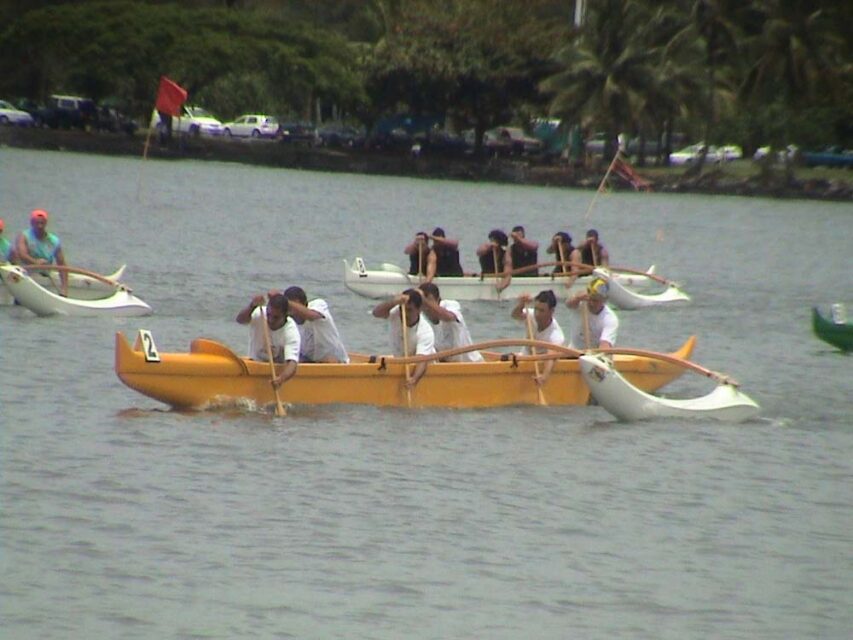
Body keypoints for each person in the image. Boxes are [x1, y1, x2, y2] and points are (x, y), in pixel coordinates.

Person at [372, 288, 436, 390]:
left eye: (409, 310)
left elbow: (422, 360)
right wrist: (394, 302)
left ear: (419, 310)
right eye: (403, 309)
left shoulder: (425, 331)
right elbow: (376, 313)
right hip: (401, 362)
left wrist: (414, 379)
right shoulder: (396, 313)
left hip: (423, 367)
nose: (405, 314)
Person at [235, 293, 300, 388]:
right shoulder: (259, 313)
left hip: (275, 372)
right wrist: (252, 306)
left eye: (276, 317)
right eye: (269, 315)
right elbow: (240, 320)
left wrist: (281, 379)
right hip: (254, 365)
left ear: (286, 315)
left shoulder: (291, 331)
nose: (271, 320)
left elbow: (292, 364)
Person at [281, 286, 349, 363]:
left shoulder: (318, 305)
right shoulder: (289, 322)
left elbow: (312, 316)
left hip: (336, 361)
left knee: (329, 360)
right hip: (311, 361)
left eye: (292, 307)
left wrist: (286, 302)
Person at [511, 289, 565, 387]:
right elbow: (515, 315)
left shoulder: (556, 334)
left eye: (542, 311)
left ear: (551, 311)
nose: (537, 314)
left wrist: (544, 377)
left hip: (541, 363)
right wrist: (521, 304)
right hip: (524, 357)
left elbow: (550, 357)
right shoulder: (530, 314)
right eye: (536, 309)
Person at [418, 282, 483, 362]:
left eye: (429, 302)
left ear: (438, 299)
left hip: (470, 363)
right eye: (423, 305)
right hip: (446, 364)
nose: (427, 308)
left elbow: (449, 317)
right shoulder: (421, 319)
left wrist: (425, 301)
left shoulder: (450, 305)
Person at [16, 209, 68, 296]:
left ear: (45, 223)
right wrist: (35, 262)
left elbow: (62, 265)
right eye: (37, 223)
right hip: (26, 271)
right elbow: (22, 255)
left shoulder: (54, 241)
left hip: (45, 272)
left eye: (42, 223)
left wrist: (64, 289)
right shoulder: (24, 236)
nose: (40, 226)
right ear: (32, 223)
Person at [566, 277, 619, 349]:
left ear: (604, 300)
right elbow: (569, 304)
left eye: (595, 300)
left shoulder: (610, 319)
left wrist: (597, 357)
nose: (591, 303)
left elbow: (605, 344)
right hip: (574, 352)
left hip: (596, 355)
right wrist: (576, 298)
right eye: (590, 299)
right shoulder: (580, 305)